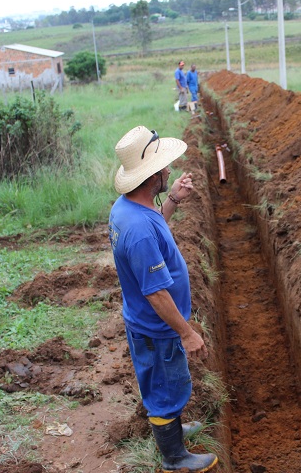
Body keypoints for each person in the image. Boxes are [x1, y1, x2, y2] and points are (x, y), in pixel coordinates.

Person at [108, 126, 218, 473]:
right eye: (165, 166)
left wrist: (171, 200)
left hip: (152, 323)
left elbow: (156, 230)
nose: (170, 169)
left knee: (169, 380)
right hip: (156, 328)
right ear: (152, 175)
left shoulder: (130, 209)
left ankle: (172, 431)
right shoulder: (138, 229)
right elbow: (155, 292)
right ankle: (174, 457)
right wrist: (187, 332)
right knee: (164, 387)